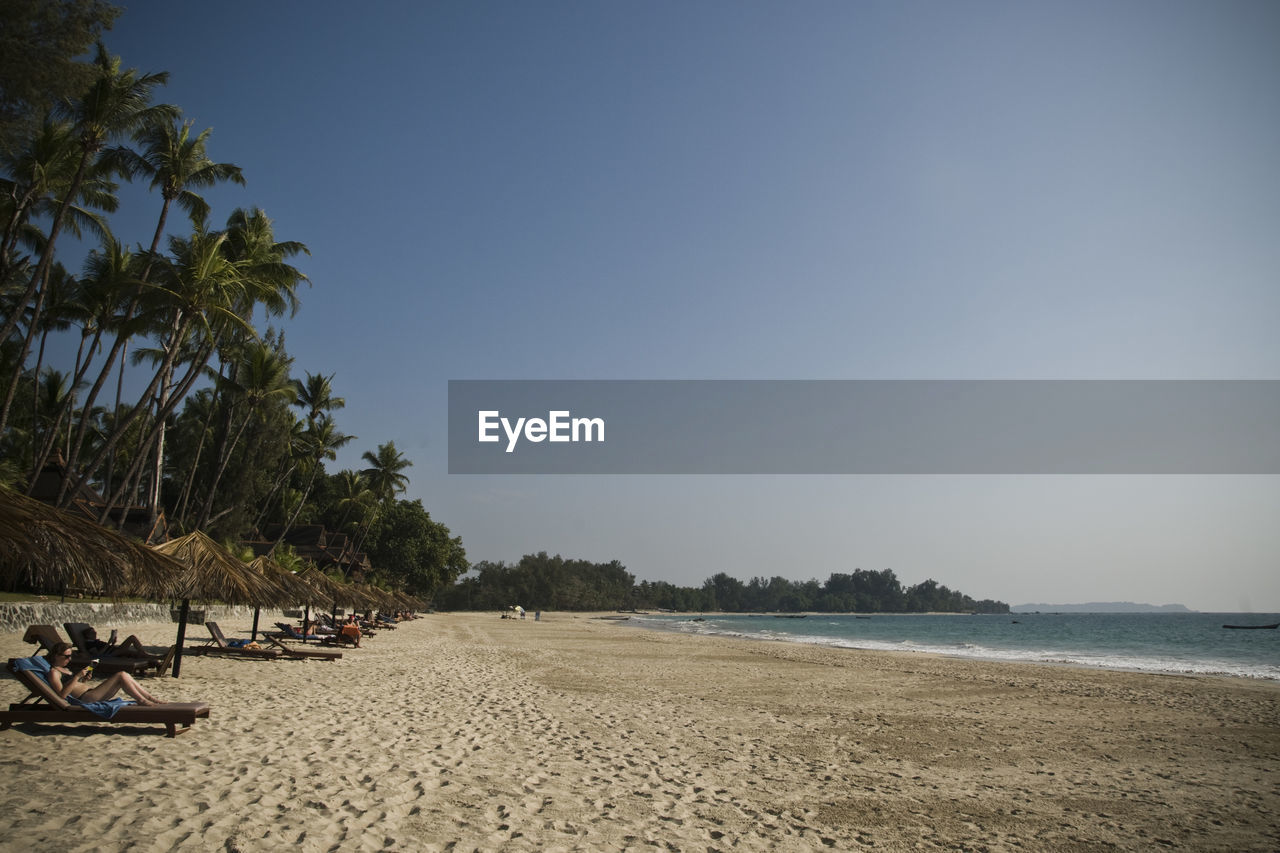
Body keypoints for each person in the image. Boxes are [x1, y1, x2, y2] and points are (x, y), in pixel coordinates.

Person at [43, 643, 162, 706]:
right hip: (87, 698)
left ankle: (149, 698)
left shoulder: (64, 669)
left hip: (91, 692)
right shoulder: (54, 673)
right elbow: (62, 695)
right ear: (56, 656)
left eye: (71, 656)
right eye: (67, 656)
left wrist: (83, 680)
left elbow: (73, 687)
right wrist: (77, 676)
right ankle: (142, 700)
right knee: (121, 675)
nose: (70, 659)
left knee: (124, 675)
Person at [81, 626, 156, 660]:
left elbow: (106, 648)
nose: (95, 633)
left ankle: (149, 657)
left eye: (95, 631)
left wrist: (112, 643)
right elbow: (97, 655)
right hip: (110, 654)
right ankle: (153, 658)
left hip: (113, 650)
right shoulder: (89, 644)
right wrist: (108, 643)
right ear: (87, 635)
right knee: (131, 647)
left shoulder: (94, 641)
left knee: (132, 642)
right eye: (92, 632)